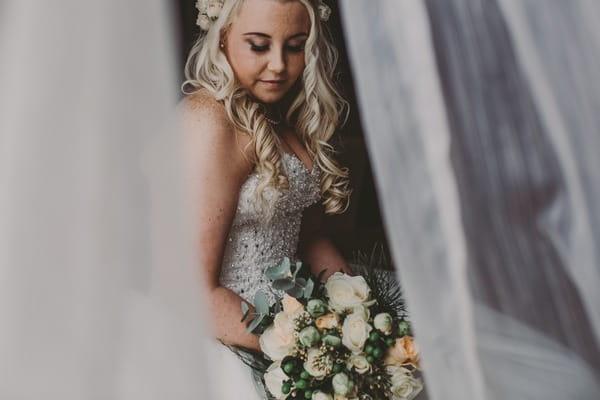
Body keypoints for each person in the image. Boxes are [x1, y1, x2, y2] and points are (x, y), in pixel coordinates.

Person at [179, 0, 353, 397]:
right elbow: (193, 289)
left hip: (293, 321)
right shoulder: (208, 120)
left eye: (295, 46)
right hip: (232, 337)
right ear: (222, 37)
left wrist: (357, 310)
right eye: (259, 45)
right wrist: (305, 350)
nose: (279, 65)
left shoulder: (281, 117)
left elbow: (309, 238)